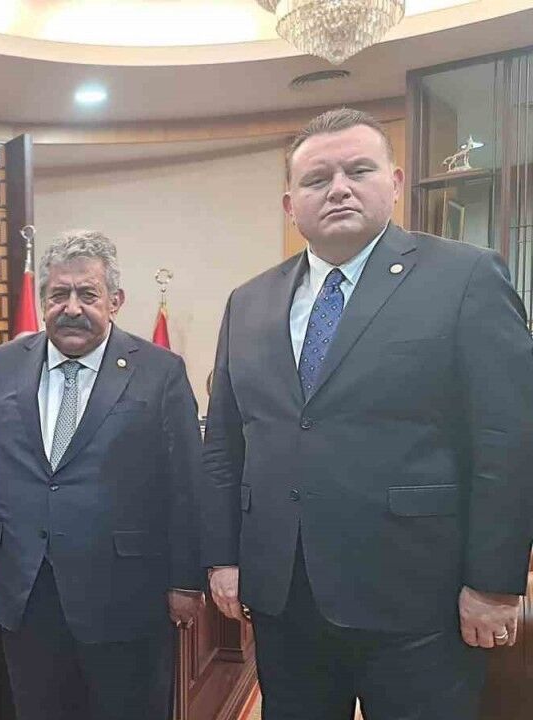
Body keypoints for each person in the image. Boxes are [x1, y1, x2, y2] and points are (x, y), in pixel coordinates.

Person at [201, 108, 533, 720]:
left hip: (419, 596)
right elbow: (225, 443)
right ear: (290, 205)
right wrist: (223, 557)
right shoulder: (248, 301)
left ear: (395, 182)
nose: (339, 189)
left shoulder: (465, 276)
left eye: (358, 170)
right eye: (316, 179)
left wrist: (493, 582)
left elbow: (507, 439)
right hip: (285, 596)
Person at [0, 230, 206, 720]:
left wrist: (186, 580)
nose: (71, 307)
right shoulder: (5, 363)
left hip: (125, 594)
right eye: (59, 294)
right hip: (27, 588)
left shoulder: (160, 371)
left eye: (87, 294)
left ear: (115, 300)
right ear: (43, 300)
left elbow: (186, 482)